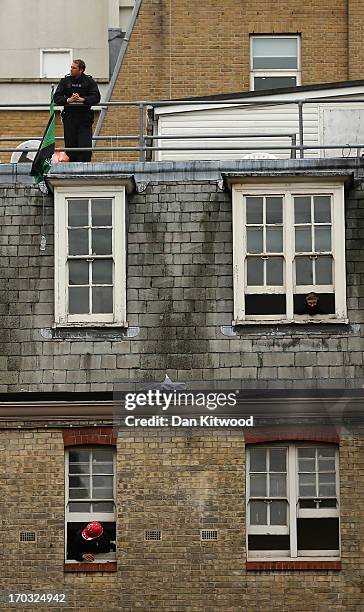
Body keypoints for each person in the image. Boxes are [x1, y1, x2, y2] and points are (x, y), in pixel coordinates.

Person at [54, 59, 100, 162]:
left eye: (74, 68)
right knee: (70, 147)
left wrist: (83, 100)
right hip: (69, 118)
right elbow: (56, 97)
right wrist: (68, 100)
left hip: (84, 119)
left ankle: (85, 171)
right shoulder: (65, 81)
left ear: (81, 70)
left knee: (84, 147)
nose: (71, 69)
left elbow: (96, 97)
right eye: (71, 67)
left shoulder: (89, 81)